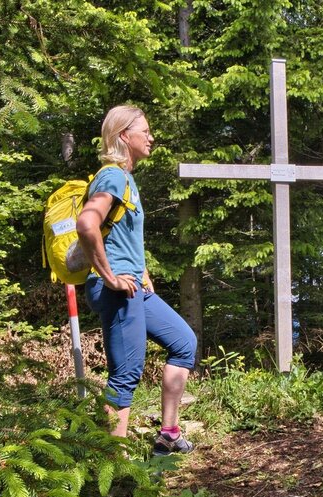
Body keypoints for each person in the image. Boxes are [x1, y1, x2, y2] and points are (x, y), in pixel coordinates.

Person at [76, 105, 196, 456]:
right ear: (124, 136)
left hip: (135, 288)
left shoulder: (126, 179)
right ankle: (113, 467)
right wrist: (109, 276)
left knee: (184, 343)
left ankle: (168, 434)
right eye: (145, 131)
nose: (151, 137)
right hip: (118, 290)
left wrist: (140, 269)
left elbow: (118, 234)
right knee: (126, 375)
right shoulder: (112, 176)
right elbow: (87, 224)